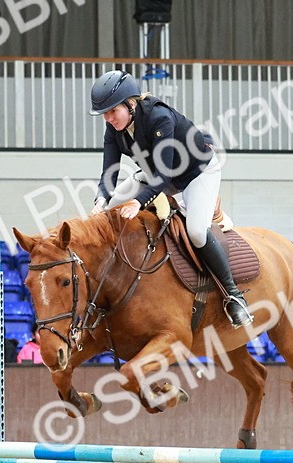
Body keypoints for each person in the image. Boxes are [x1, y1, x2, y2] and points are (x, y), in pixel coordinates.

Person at [87, 69, 251, 328]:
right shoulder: (114, 129)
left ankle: (234, 295)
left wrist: (138, 202)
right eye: (104, 114)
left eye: (112, 111)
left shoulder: (159, 117)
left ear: (131, 104)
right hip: (158, 175)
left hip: (197, 172)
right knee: (114, 203)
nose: (108, 119)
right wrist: (100, 202)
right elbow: (109, 173)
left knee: (196, 232)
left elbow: (162, 178)